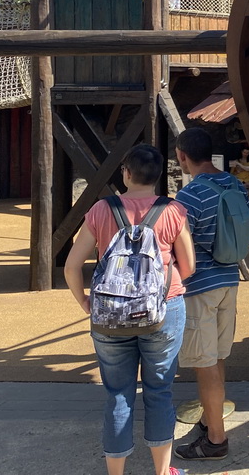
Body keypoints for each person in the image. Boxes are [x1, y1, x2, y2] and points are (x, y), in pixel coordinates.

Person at [64, 144, 195, 475]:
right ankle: (163, 471)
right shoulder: (173, 211)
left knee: (118, 396)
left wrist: (85, 301)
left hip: (109, 315)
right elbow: (189, 266)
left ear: (126, 172)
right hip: (162, 311)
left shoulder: (100, 210)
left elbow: (71, 266)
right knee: (159, 391)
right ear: (158, 177)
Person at [173, 127, 248, 462]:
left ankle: (215, 441)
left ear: (182, 156)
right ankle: (209, 420)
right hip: (229, 281)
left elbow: (176, 247)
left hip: (199, 287)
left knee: (204, 365)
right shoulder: (235, 185)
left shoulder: (188, 197)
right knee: (217, 358)